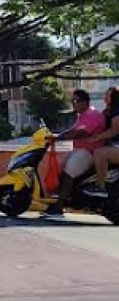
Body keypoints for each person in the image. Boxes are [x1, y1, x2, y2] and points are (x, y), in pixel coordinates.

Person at [44, 88, 106, 217]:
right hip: (78, 150)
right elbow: (72, 130)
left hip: (89, 151)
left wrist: (59, 138)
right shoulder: (82, 116)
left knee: (68, 172)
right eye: (72, 101)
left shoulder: (93, 115)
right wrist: (55, 136)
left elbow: (81, 133)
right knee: (60, 171)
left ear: (85, 102)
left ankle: (59, 207)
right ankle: (66, 199)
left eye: (76, 101)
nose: (73, 104)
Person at [87, 86, 119, 195]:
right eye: (105, 94)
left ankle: (101, 187)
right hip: (113, 145)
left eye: (108, 95)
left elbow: (114, 131)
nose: (105, 97)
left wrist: (97, 137)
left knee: (100, 153)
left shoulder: (117, 110)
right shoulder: (107, 111)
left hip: (117, 146)